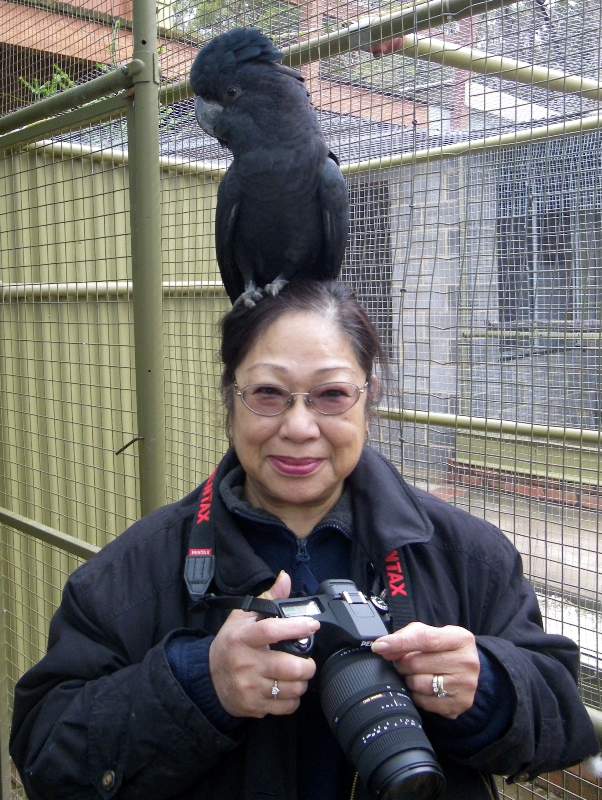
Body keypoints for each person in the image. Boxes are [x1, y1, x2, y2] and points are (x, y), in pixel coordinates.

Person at [10, 280, 598, 800]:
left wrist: (486, 687)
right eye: (268, 394)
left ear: (369, 398)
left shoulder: (467, 553)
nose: (298, 427)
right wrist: (198, 682)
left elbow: (563, 718)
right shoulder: (133, 570)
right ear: (230, 399)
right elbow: (45, 757)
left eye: (332, 395)